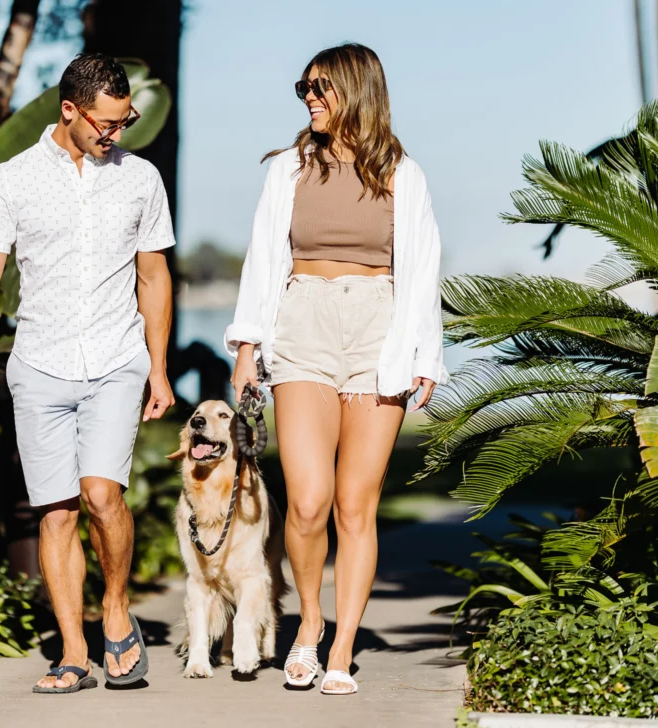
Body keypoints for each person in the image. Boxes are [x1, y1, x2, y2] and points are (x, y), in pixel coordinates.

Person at [226, 42, 448, 696]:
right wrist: (246, 347)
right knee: (309, 501)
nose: (309, 97)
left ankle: (343, 647)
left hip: (378, 329)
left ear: (358, 90)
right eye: (304, 87)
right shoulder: (289, 168)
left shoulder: (404, 173)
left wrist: (424, 355)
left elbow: (423, 268)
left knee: (356, 504)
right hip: (303, 324)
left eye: (320, 86)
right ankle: (310, 621)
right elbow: (263, 257)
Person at [0, 53, 176, 693]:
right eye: (107, 123)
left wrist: (159, 370)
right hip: (38, 364)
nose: (117, 133)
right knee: (56, 513)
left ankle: (115, 607)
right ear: (69, 111)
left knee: (102, 496)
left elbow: (154, 276)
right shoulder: (11, 179)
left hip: (116, 360)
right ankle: (74, 651)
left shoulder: (140, 179)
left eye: (125, 120)